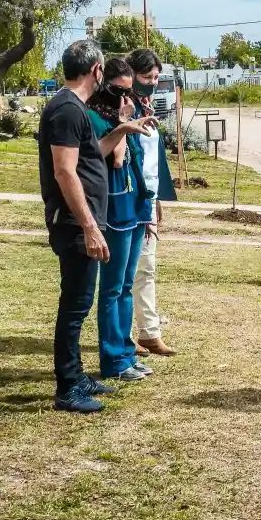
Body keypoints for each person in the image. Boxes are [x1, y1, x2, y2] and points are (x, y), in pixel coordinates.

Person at [38, 40, 156, 413]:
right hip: (75, 223)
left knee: (81, 303)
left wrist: (123, 129)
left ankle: (77, 375)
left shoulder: (75, 108)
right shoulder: (67, 110)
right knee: (74, 307)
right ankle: (67, 387)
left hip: (84, 220)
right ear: (96, 71)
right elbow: (64, 171)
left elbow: (96, 154)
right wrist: (89, 225)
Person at [86, 58, 154, 382]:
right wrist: (123, 126)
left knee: (127, 284)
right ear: (105, 86)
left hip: (134, 204)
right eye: (120, 91)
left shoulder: (126, 111)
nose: (126, 98)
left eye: (130, 91)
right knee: (112, 287)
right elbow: (114, 159)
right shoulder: (96, 117)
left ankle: (126, 352)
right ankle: (113, 359)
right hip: (114, 208)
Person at [128, 48, 178, 357]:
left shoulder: (146, 106)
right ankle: (127, 334)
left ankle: (149, 331)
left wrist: (158, 198)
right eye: (147, 77)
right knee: (130, 270)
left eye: (157, 77)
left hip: (149, 197)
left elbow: (154, 158)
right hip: (131, 198)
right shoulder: (123, 109)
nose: (153, 83)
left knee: (148, 267)